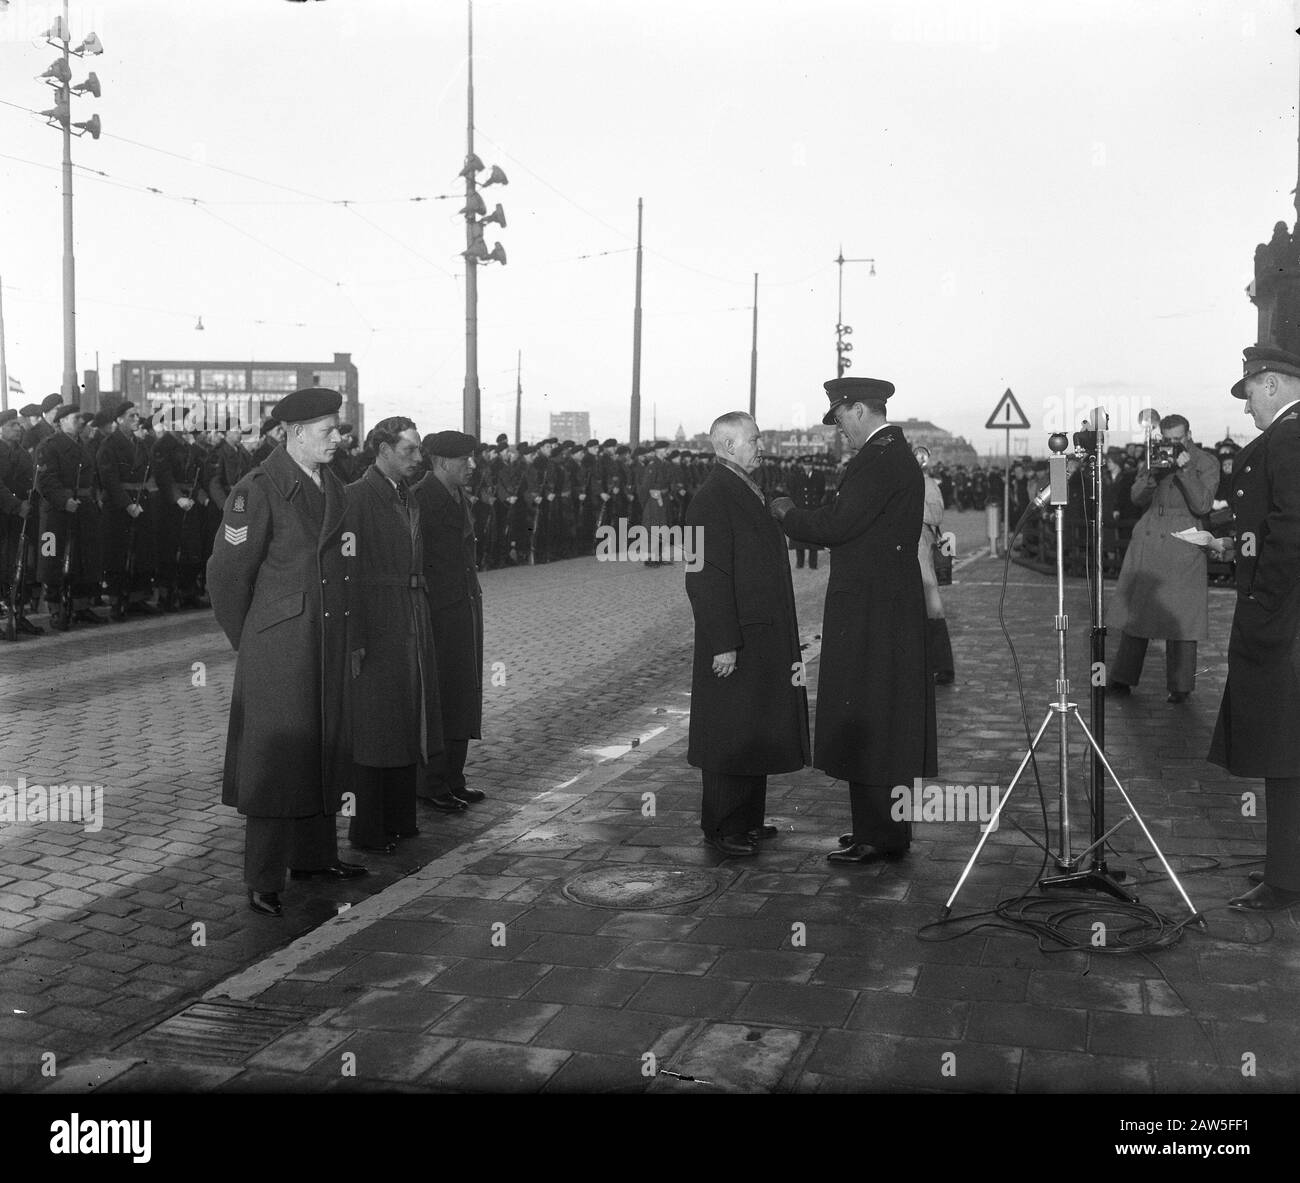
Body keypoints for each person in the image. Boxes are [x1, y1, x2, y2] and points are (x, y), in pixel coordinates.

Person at [207, 387, 367, 917]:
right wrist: (253, 639)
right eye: (329, 431)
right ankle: (263, 876)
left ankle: (315, 856)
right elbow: (227, 576)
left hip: (326, 640)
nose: (340, 440)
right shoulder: (257, 490)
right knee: (275, 762)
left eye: (339, 429)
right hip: (282, 649)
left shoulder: (334, 486)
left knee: (320, 747)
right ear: (295, 434)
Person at [770, 377, 937, 863]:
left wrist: (788, 514)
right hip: (886, 601)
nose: (838, 427)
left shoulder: (878, 458)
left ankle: (875, 836)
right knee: (884, 713)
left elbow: (841, 524)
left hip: (871, 606)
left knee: (868, 713)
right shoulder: (892, 454)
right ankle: (884, 830)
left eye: (840, 416)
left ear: (861, 409)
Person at [685, 412, 809, 856]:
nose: (762, 446)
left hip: (758, 632)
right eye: (754, 439)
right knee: (729, 730)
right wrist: (723, 642)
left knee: (751, 724)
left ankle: (748, 821)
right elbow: (704, 576)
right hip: (734, 637)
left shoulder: (743, 488)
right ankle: (722, 827)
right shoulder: (713, 496)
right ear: (727, 444)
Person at [1207, 346, 1300, 910]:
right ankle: (1287, 867)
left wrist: (1263, 598)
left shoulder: (1289, 437)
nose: (1246, 410)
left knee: (1284, 749)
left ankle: (1288, 880)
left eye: (1248, 396)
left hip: (1285, 620)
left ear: (1270, 384)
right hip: (1288, 613)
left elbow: (1291, 529)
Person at [342, 417, 446, 849]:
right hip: (379, 620)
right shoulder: (357, 497)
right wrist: (355, 637)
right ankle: (367, 829)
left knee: (407, 717)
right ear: (383, 450)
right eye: (410, 451)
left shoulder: (404, 495)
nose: (418, 459)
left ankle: (401, 818)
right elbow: (346, 572)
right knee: (376, 727)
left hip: (410, 616)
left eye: (418, 450)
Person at [1107, 414, 1221, 703]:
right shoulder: (1154, 458)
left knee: (1182, 618)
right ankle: (1122, 678)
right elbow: (1135, 498)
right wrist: (1153, 475)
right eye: (1167, 439)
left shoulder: (1205, 462)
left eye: (1178, 439)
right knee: (1137, 614)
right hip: (1150, 537)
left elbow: (1203, 504)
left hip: (1184, 542)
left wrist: (1184, 471)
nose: (1173, 445)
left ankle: (1181, 686)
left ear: (1189, 434)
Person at [413, 431, 487, 811]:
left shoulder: (457, 496)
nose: (471, 466)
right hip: (437, 614)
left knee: (462, 692)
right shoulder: (421, 499)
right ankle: (431, 783)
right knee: (439, 697)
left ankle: (454, 778)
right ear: (442, 462)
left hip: (463, 608)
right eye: (464, 460)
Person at [914, 446, 955, 684]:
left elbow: (937, 515)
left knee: (932, 607)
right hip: (907, 551)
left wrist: (909, 501)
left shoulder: (927, 483)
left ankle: (942, 665)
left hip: (921, 549)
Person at [788, 455, 826, 570]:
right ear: (802, 465)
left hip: (813, 509)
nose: (808, 467)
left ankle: (813, 563)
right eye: (806, 465)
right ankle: (800, 562)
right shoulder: (796, 476)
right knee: (800, 537)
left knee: (813, 537)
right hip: (800, 509)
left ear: (812, 465)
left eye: (809, 465)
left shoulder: (818, 476)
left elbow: (821, 491)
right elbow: (793, 491)